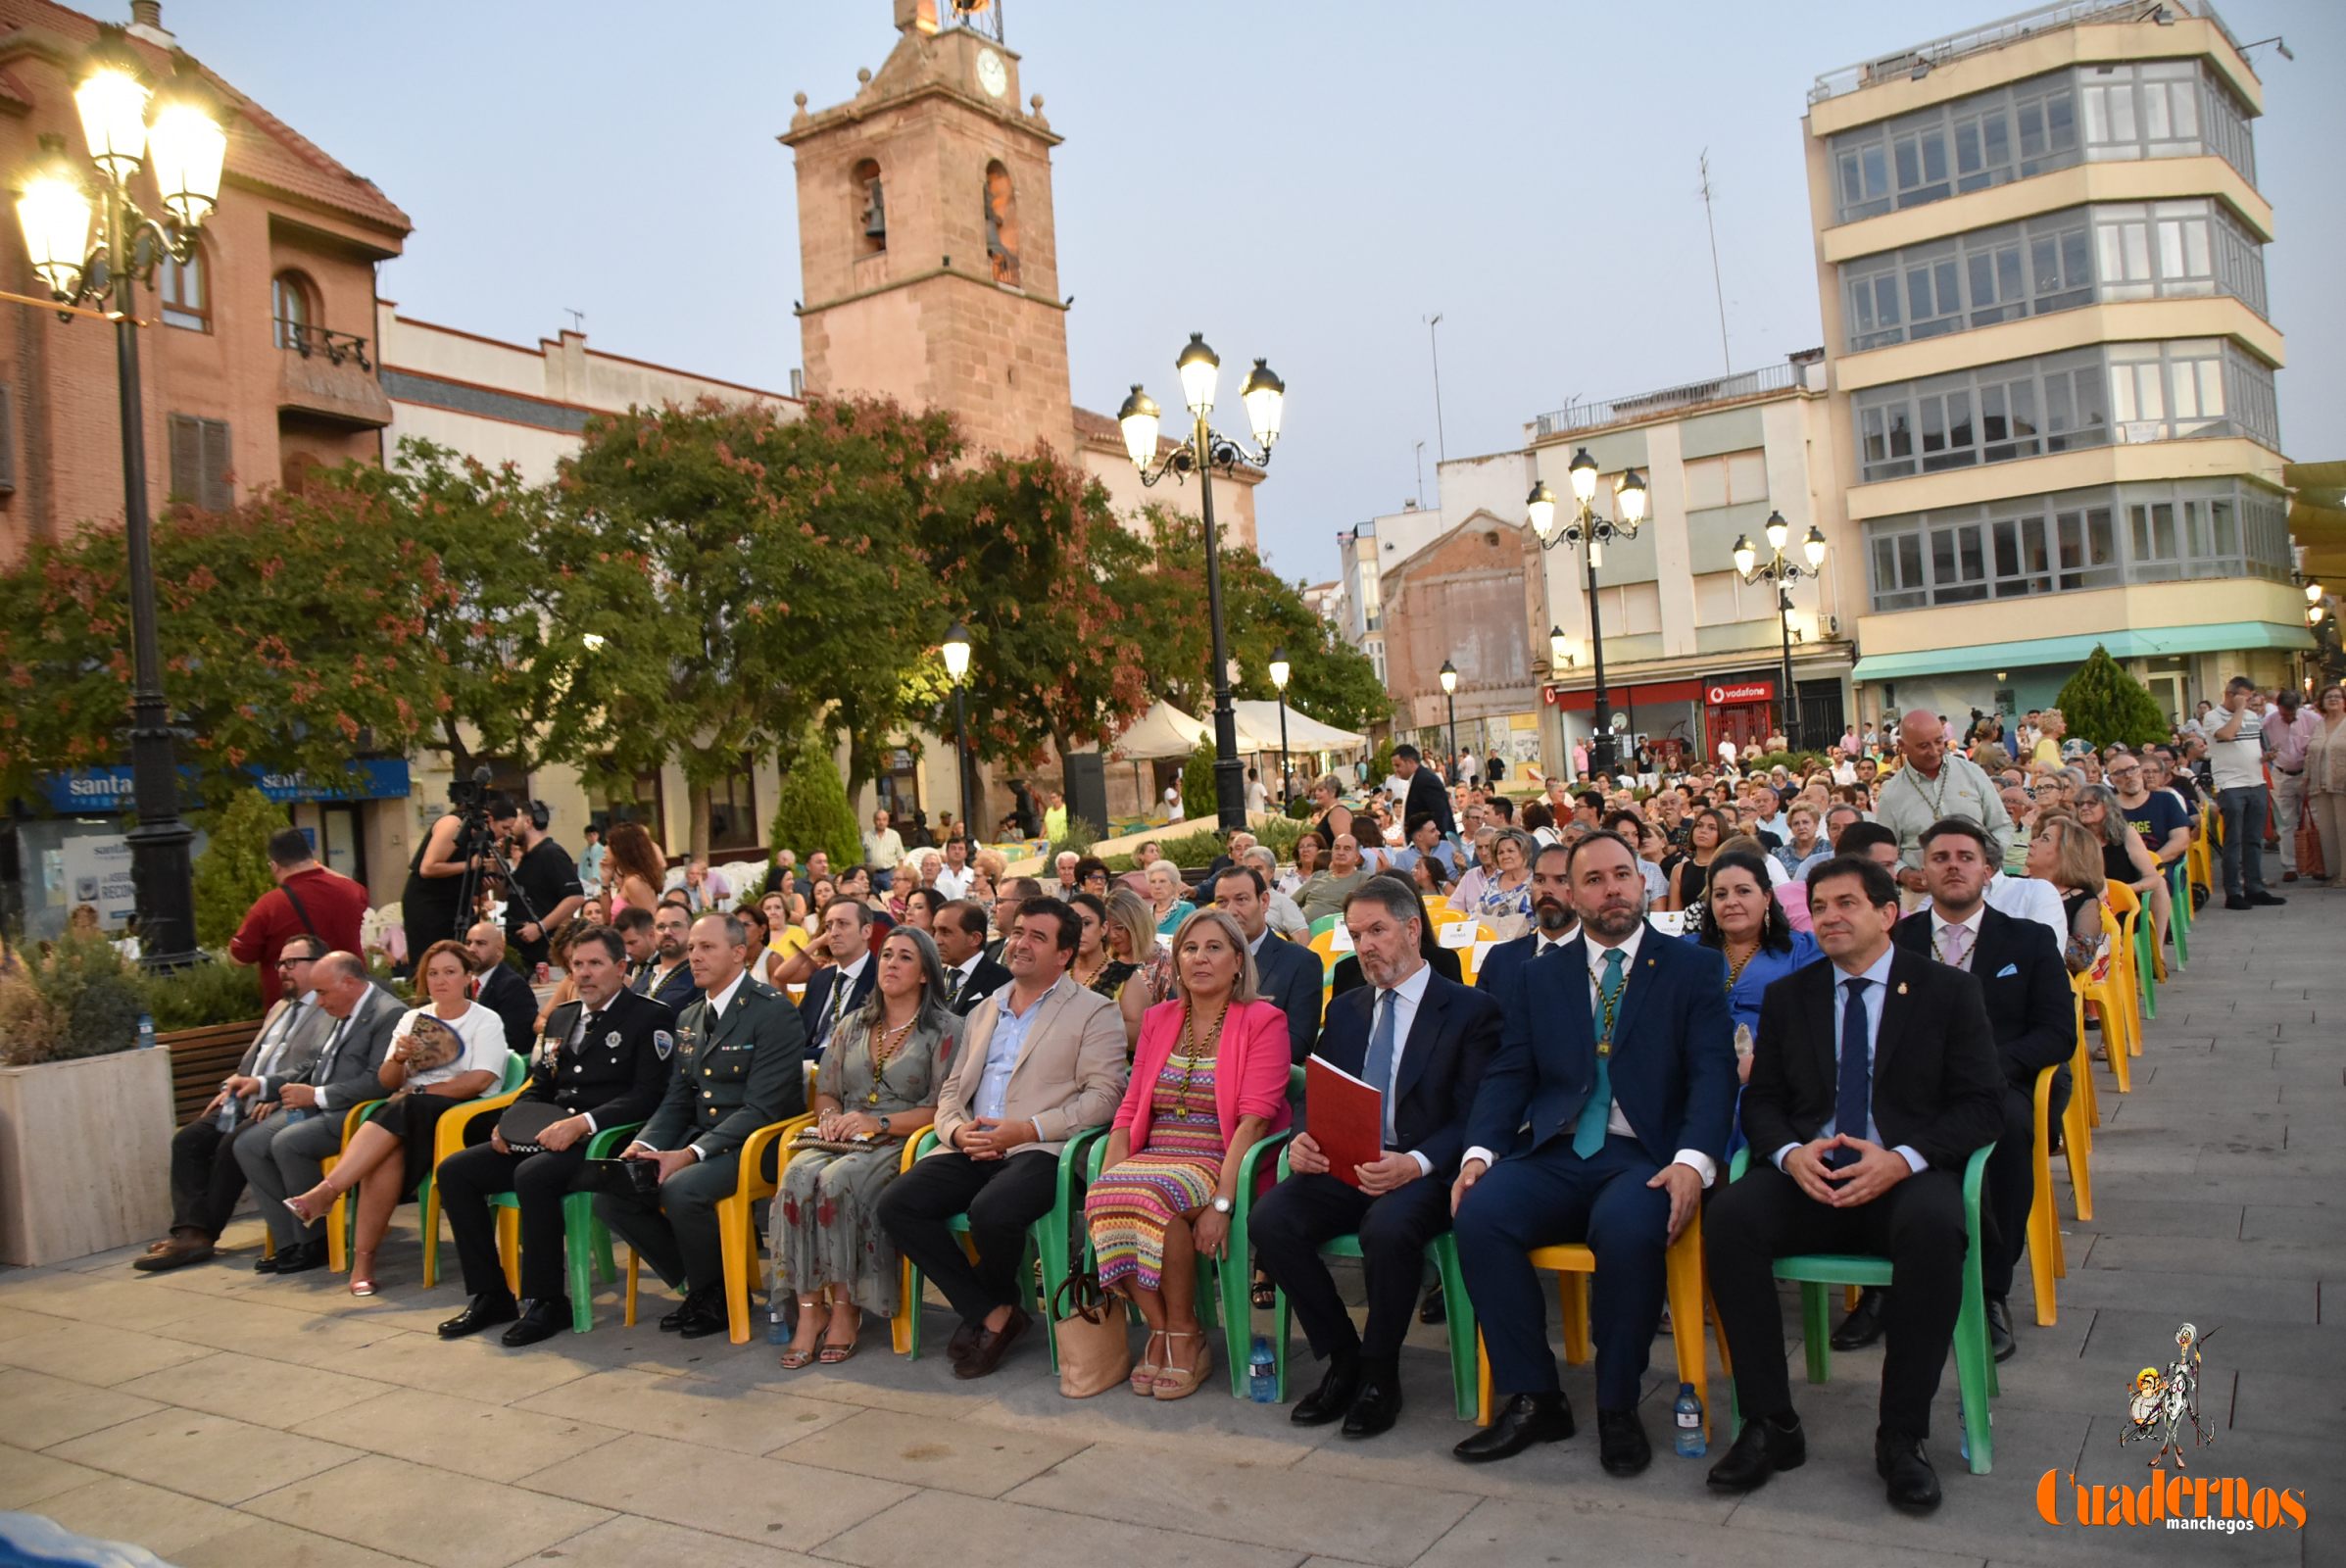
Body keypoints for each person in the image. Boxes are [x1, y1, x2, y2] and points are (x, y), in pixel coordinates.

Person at [1703, 855, 2005, 1511]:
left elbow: (1984, 1104)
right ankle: (1769, 1422)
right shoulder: (1792, 997)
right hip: (1812, 1173)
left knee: (1935, 1227)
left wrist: (1904, 1158)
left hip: (1902, 1174)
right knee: (1730, 1219)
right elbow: (1763, 1100)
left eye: (1848, 903)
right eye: (1820, 906)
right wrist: (1787, 1153)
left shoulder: (1946, 993)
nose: (1831, 917)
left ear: (1888, 913)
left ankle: (1901, 1435)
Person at [1449, 831, 1737, 1474]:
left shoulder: (1692, 968)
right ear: (1572, 895)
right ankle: (1534, 1396)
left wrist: (1693, 1162)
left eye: (1623, 875)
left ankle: (1617, 1406)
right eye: (1595, 880)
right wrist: (1478, 1153)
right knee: (1480, 1212)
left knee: (1628, 1229)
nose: (1612, 890)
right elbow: (1510, 1074)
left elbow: (1713, 1076)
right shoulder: (1539, 976)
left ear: (1643, 884)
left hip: (1646, 1155)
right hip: (1557, 1148)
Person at [1253, 879, 1501, 1435]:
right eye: (1356, 934)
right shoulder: (1344, 1011)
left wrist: (1415, 1163)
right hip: (1348, 1162)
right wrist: (1303, 1137)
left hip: (1426, 1170)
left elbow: (1477, 1115)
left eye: (1377, 931)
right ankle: (1344, 1357)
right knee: (1271, 1218)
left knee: (1387, 1230)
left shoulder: (1469, 1010)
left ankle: (1379, 1373)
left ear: (1412, 930)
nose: (1365, 945)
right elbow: (1315, 1092)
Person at [1825, 818, 2074, 1365]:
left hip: (2002, 1083)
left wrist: (1982, 1068)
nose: (1954, 866)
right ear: (1922, 874)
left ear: (1989, 868)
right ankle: (1882, 1288)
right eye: (1940, 858)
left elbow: (2058, 1032)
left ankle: (1988, 1291)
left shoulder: (2026, 939)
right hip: (1908, 1085)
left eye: (1966, 856)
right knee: (1863, 1121)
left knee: (2005, 1129)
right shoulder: (1898, 939)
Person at [877, 896, 1127, 1380]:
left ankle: (992, 1312)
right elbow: (953, 1089)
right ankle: (992, 1311)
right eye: (1017, 933)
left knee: (992, 1210)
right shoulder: (985, 1009)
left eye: (1037, 936)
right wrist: (954, 1129)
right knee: (897, 1204)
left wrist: (1026, 1129)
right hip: (973, 1144)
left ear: (1064, 954)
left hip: (1042, 1149)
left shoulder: (1094, 1012)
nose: (1020, 944)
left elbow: (1104, 1099)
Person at [434, 925, 675, 1346]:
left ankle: (548, 1301)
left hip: (605, 1141)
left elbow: (647, 1095)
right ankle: (491, 1294)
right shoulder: (563, 1016)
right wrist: (509, 1121)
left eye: (595, 964)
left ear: (620, 968)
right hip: (548, 1133)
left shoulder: (650, 1016)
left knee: (533, 1175)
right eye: (577, 965)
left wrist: (583, 1124)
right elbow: (541, 1083)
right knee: (456, 1171)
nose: (584, 974)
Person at [1086, 908, 1293, 1399]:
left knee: (1150, 1197)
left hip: (1221, 1157)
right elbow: (1132, 1104)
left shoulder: (1264, 1019)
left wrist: (1222, 1203)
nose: (1200, 958)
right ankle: (1169, 1329)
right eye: (1189, 948)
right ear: (1176, 960)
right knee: (1105, 1197)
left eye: (1214, 948)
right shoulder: (1159, 1018)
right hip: (1156, 1156)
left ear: (1239, 962)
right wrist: (1110, 1176)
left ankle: (1180, 1332)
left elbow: (1254, 1119)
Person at [596, 911, 808, 1338]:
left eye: (706, 947)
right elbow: (677, 1098)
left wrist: (689, 1154)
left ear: (738, 953)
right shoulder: (690, 1017)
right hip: (703, 1141)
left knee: (682, 1188)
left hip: (757, 1145)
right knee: (614, 1191)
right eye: (692, 948)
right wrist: (644, 1144)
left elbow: (763, 1109)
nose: (694, 956)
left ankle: (718, 1299)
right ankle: (703, 1287)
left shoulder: (772, 1012)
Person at [772, 925, 956, 1368]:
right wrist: (830, 1118)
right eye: (887, 954)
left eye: (905, 957)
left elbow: (943, 1107)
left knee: (837, 1181)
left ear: (927, 973)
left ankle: (845, 1308)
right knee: (797, 1175)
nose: (891, 963)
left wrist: (879, 1122)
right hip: (844, 1135)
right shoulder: (854, 1023)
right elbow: (829, 1091)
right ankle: (809, 1311)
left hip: (902, 1139)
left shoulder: (945, 1030)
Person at [282, 940, 511, 1296]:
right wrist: (399, 1060)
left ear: (468, 977)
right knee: (387, 1155)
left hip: (463, 1117)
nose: (440, 980)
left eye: (450, 972)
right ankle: (362, 1262)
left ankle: (329, 1194)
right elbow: (387, 1082)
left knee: (405, 1107)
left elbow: (479, 1081)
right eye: (433, 973)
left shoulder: (486, 1020)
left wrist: (420, 1092)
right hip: (407, 1117)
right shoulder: (411, 1019)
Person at [135, 936, 333, 1272]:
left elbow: (315, 1067)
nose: (283, 970)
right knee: (189, 1140)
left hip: (279, 1102)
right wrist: (232, 1087)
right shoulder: (281, 1006)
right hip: (246, 1098)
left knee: (233, 1144)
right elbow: (257, 1058)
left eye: (292, 963)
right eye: (280, 964)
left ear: (318, 965)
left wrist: (273, 1095)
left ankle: (200, 1236)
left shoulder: (327, 1009)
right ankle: (189, 1229)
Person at [235, 952, 409, 1274]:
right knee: (246, 1144)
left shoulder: (389, 1014)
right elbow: (312, 1065)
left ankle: (314, 1240)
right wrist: (262, 1084)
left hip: (356, 1112)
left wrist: (316, 1095)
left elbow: (378, 1083)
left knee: (289, 1142)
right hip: (320, 1104)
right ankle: (289, 1241)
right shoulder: (340, 1008)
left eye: (323, 992)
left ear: (350, 983)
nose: (318, 1001)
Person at [1694, 852, 1822, 1062]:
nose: (1730, 902)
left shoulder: (1802, 951)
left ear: (1767, 897)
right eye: (1720, 895)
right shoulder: (1688, 952)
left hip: (1777, 1076)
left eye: (1743, 891)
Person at [1876, 710, 2011, 897]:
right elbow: (1884, 852)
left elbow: (2002, 826)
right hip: (1923, 897)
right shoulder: (1891, 794)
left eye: (1939, 742)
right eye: (1923, 746)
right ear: (1902, 746)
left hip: (1983, 889)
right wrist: (1903, 873)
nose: (1934, 751)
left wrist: (1988, 862)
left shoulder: (1972, 774)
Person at [230, 828, 368, 1008]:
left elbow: (239, 958)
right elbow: (352, 885)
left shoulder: (269, 905)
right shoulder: (351, 892)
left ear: (274, 866)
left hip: (295, 1010)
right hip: (351, 1001)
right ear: (311, 857)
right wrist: (315, 865)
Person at [1212, 864, 1321, 1066]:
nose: (1230, 911)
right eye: (1222, 902)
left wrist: (1225, 1053)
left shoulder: (1301, 963)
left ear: (1264, 901)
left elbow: (1297, 1045)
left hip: (1259, 1076)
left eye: (1241, 900)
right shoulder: (1198, 960)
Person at [1474, 844, 1578, 1017]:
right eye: (1539, 880)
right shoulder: (1500, 959)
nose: (1546, 890)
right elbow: (1481, 1030)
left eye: (1561, 880)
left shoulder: (1599, 959)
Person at [2209, 676, 2283, 909]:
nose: (2249, 701)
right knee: (2234, 840)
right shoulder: (2213, 716)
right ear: (2230, 694)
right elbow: (2227, 735)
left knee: (2254, 839)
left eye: (2251, 697)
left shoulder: (2252, 717)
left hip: (2256, 782)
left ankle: (2255, 887)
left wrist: (2266, 757)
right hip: (2230, 785)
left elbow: (2250, 747)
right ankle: (2233, 891)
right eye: (2245, 696)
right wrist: (2239, 709)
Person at [501, 804, 585, 971]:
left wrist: (541, 927)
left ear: (528, 821)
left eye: (515, 819)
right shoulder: (526, 859)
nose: (511, 827)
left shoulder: (551, 854)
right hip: (522, 953)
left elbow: (575, 897)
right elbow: (506, 895)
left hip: (541, 955)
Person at [1067, 891, 1149, 1052]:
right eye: (1072, 924)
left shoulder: (1126, 977)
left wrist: (1088, 1024)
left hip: (1108, 1068)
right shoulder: (1057, 974)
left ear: (1104, 928)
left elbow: (1139, 1037)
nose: (1079, 931)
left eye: (1086, 923)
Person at [800, 898, 878, 1054]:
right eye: (828, 926)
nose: (833, 933)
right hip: (804, 1063)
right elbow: (797, 1030)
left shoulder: (881, 979)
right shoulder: (819, 979)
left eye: (843, 924)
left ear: (866, 931)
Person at [465, 921, 538, 1055]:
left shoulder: (513, 986)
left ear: (499, 950)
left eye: (480, 943)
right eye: (468, 942)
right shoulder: (463, 983)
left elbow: (513, 1040)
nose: (471, 949)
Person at [624, 903, 702, 1013]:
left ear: (691, 930)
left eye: (675, 925)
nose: (667, 932)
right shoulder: (643, 979)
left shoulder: (699, 978)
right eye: (661, 927)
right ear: (653, 933)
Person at [1105, 885, 1175, 1006]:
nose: (1112, 935)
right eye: (1106, 928)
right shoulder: (1105, 960)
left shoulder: (1163, 960)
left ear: (1136, 924)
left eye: (1119, 927)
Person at [2305, 685, 2346, 888]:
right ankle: (2334, 872)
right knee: (2327, 831)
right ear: (2321, 702)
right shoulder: (2319, 725)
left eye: (2338, 697)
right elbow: (2310, 754)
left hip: (2343, 784)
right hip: (2320, 785)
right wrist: (2305, 779)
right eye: (2329, 697)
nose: (2333, 700)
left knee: (2344, 829)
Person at [1667, 808, 1730, 921]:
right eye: (1699, 825)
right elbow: (1674, 915)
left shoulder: (1727, 867)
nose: (1703, 831)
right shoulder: (1679, 870)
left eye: (1712, 828)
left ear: (1721, 833)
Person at [1299, 834, 1371, 925]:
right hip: (1300, 929)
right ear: (1332, 852)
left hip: (1335, 933)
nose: (1340, 852)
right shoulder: (1318, 876)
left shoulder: (1365, 880)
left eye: (1347, 849)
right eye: (1337, 848)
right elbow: (1290, 903)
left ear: (1356, 857)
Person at [1391, 743, 1458, 839]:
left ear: (1410, 762)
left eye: (1398, 765)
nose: (1395, 770)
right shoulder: (1415, 780)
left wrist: (1440, 848)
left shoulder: (1426, 780)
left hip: (1434, 848)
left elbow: (1440, 816)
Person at [602, 822, 668, 915]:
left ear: (622, 849)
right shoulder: (626, 879)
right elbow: (607, 919)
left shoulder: (634, 882)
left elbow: (651, 920)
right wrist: (605, 881)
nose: (604, 849)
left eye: (609, 845)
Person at [1243, 845, 1308, 938]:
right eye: (1249, 869)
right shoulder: (1234, 900)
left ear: (1271, 873)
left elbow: (1303, 939)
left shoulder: (1284, 903)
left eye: (1258, 868)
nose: (1253, 874)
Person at [1772, 805, 1831, 883]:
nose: (1801, 827)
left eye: (1805, 822)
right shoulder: (1779, 854)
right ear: (1790, 828)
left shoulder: (1829, 849)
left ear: (1816, 825)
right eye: (1796, 824)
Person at [1303, 774, 1355, 857]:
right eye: (1315, 790)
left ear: (1333, 792)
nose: (1316, 793)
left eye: (1320, 790)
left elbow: (1345, 843)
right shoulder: (1328, 811)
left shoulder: (1338, 812)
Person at [1145, 858, 1196, 936]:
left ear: (1173, 885)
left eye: (1162, 881)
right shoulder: (1144, 914)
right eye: (1153, 882)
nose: (1157, 886)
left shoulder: (1186, 910)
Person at [863, 808, 906, 893]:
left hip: (889, 873)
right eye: (878, 819)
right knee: (873, 898)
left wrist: (899, 876)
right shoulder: (866, 836)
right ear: (874, 821)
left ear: (888, 821)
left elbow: (900, 857)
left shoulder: (894, 835)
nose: (881, 822)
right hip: (872, 874)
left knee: (892, 897)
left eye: (884, 819)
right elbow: (861, 855)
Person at [931, 837, 976, 901]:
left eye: (961, 849)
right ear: (947, 852)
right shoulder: (937, 872)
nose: (957, 852)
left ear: (966, 853)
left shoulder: (973, 874)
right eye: (953, 848)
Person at [576, 823, 607, 895]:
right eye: (589, 835)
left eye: (594, 834)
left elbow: (604, 868)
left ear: (598, 835)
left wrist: (596, 878)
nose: (592, 837)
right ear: (585, 837)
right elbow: (580, 869)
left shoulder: (603, 850)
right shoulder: (584, 853)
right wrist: (581, 881)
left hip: (599, 884)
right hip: (586, 885)